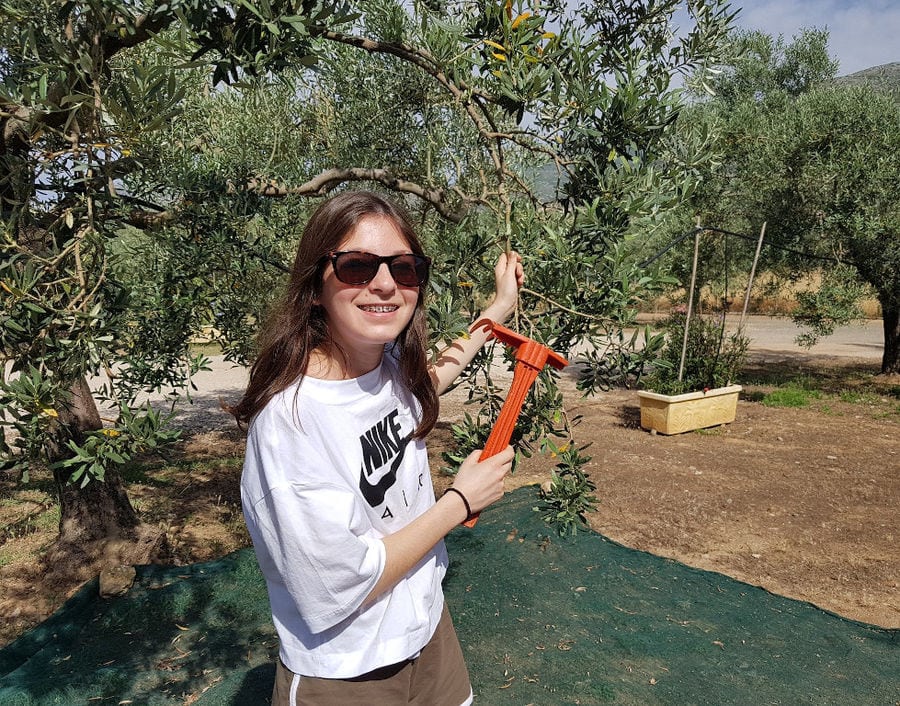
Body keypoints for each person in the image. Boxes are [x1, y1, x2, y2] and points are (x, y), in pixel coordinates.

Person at [230, 190, 524, 705]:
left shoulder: (385, 365)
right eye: (358, 266)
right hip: (348, 668)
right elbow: (340, 583)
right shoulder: (291, 424)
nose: (385, 283)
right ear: (315, 286)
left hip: (425, 627)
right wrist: (460, 502)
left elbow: (434, 378)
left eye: (404, 268)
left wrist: (495, 312)